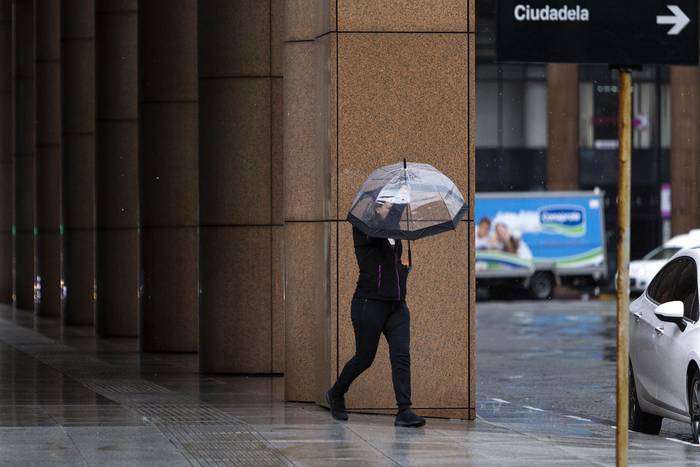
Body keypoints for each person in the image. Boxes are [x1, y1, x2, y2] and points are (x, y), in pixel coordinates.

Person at [326, 201, 426, 428]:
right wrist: (397, 208)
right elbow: (378, 232)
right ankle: (336, 393)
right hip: (368, 303)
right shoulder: (363, 228)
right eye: (384, 205)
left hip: (397, 306)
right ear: (374, 208)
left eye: (391, 205)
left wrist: (403, 269)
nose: (389, 208)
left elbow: (391, 260)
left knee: (401, 355)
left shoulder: (394, 233)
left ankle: (404, 410)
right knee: (365, 357)